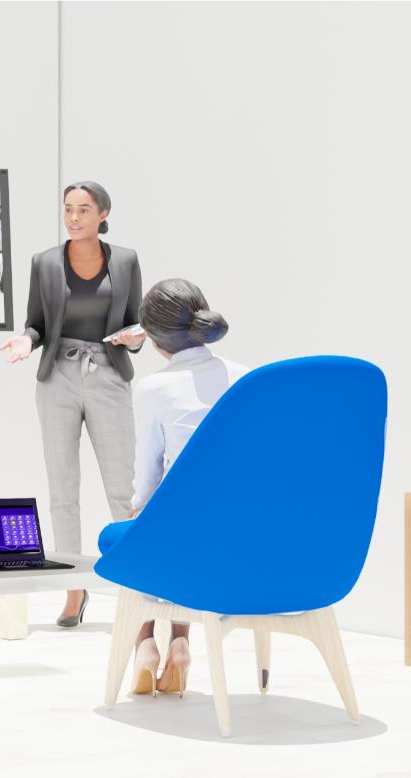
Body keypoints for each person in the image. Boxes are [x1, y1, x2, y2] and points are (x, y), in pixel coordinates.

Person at [0, 181, 144, 628]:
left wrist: (136, 338)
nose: (74, 217)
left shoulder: (125, 259)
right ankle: (73, 590)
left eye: (83, 209)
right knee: (63, 492)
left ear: (103, 214)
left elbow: (135, 321)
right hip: (57, 376)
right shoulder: (43, 263)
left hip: (107, 373)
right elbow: (35, 322)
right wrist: (26, 340)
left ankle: (136, 586)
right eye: (68, 209)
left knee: (124, 489)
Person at [107, 278, 244, 696]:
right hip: (239, 532)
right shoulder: (245, 376)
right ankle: (181, 644)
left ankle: (145, 644)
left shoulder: (154, 388)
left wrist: (134, 512)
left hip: (181, 533)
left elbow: (147, 481)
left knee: (137, 530)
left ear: (154, 340)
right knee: (183, 524)